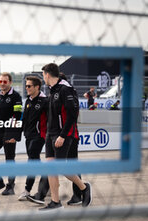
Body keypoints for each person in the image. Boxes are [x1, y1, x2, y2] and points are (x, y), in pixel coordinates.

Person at [40, 63, 92, 210]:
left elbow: (72, 114)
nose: (43, 77)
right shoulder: (53, 90)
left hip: (63, 134)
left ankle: (84, 187)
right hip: (51, 134)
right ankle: (55, 202)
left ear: (47, 75)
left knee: (61, 166)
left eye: (43, 74)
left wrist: (62, 135)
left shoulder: (65, 89)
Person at [26, 72, 83, 206]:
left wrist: (62, 135)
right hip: (60, 135)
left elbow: (70, 116)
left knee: (63, 165)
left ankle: (80, 191)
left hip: (68, 136)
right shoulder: (57, 94)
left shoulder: (65, 93)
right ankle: (47, 195)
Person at [17, 76, 49, 202]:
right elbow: (24, 119)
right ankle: (48, 179)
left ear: (37, 87)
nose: (27, 88)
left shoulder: (45, 101)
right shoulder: (28, 101)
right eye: (26, 86)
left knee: (32, 161)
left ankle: (27, 190)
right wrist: (17, 134)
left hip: (39, 136)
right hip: (28, 136)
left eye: (29, 86)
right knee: (35, 161)